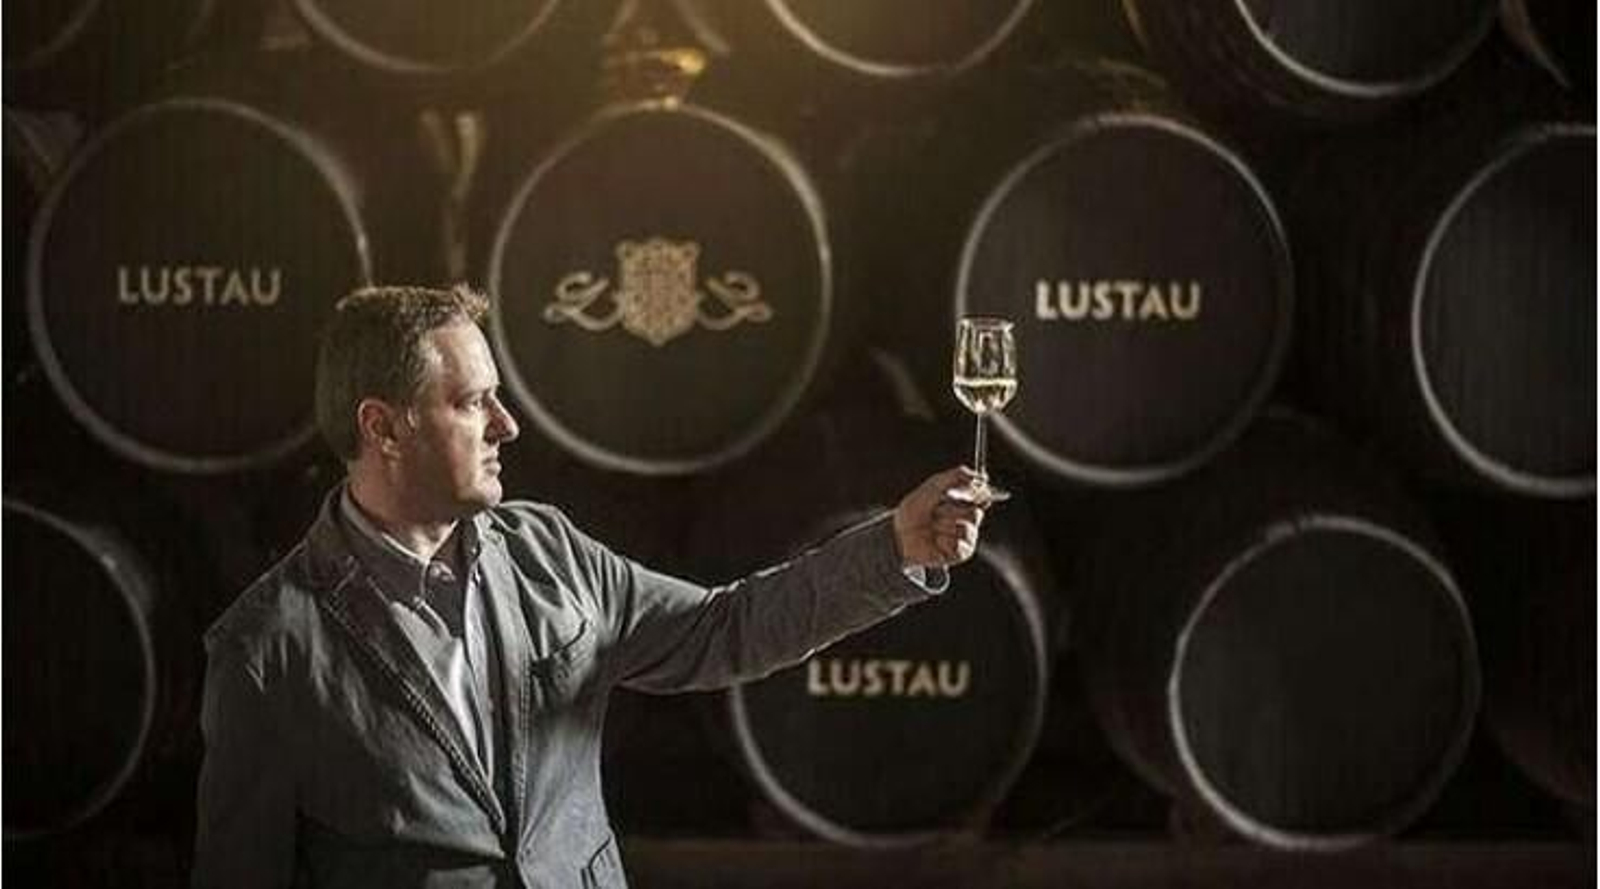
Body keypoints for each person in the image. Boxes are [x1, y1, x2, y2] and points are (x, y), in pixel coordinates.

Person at [192, 284, 987, 888]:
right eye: (473, 403)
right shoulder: (266, 650)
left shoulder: (550, 550)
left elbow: (725, 628)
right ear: (383, 427)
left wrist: (894, 548)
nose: (508, 425)